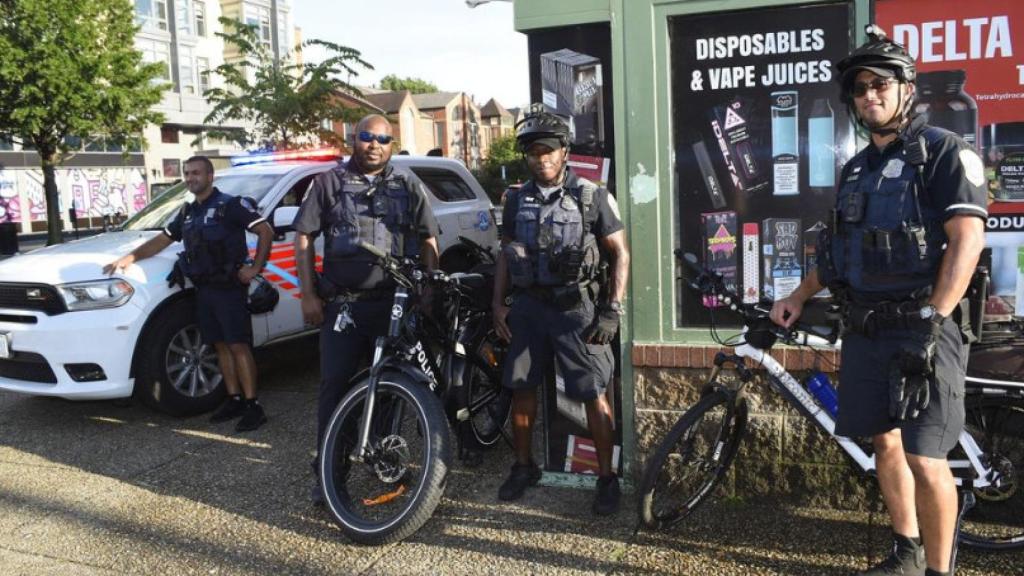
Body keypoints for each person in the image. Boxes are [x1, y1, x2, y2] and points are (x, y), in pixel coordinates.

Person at [770, 26, 987, 576]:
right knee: (884, 444)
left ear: (906, 87)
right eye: (860, 88)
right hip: (867, 329)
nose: (869, 95)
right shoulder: (856, 169)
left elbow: (966, 241)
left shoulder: (943, 152)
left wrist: (934, 323)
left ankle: (940, 570)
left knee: (926, 456)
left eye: (880, 84)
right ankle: (907, 553)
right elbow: (842, 253)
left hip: (923, 325)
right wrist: (797, 296)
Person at [293, 114, 440, 505]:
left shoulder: (407, 184)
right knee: (335, 390)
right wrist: (307, 294)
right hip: (344, 308)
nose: (374, 144)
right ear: (353, 140)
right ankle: (329, 474)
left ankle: (380, 455)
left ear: (391, 144)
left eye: (383, 138)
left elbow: (428, 239)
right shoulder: (328, 183)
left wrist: (426, 286)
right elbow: (304, 236)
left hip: (393, 305)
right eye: (366, 136)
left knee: (392, 388)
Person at [491, 104, 630, 515]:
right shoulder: (515, 200)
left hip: (577, 309)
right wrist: (498, 303)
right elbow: (504, 254)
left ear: (564, 151)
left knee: (593, 393)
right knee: (522, 388)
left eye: (549, 150)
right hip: (530, 308)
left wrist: (612, 309)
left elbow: (621, 253)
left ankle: (607, 479)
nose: (542, 158)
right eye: (534, 152)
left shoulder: (592, 196)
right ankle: (523, 466)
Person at [104, 155, 275, 431]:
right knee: (219, 345)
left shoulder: (230, 205)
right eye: (187, 173)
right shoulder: (187, 212)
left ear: (210, 176)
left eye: (196, 173)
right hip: (204, 289)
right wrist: (128, 259)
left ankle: (253, 405)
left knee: (237, 346)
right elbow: (162, 240)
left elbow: (265, 230)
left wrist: (255, 268)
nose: (191, 178)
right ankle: (233, 399)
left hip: (230, 288)